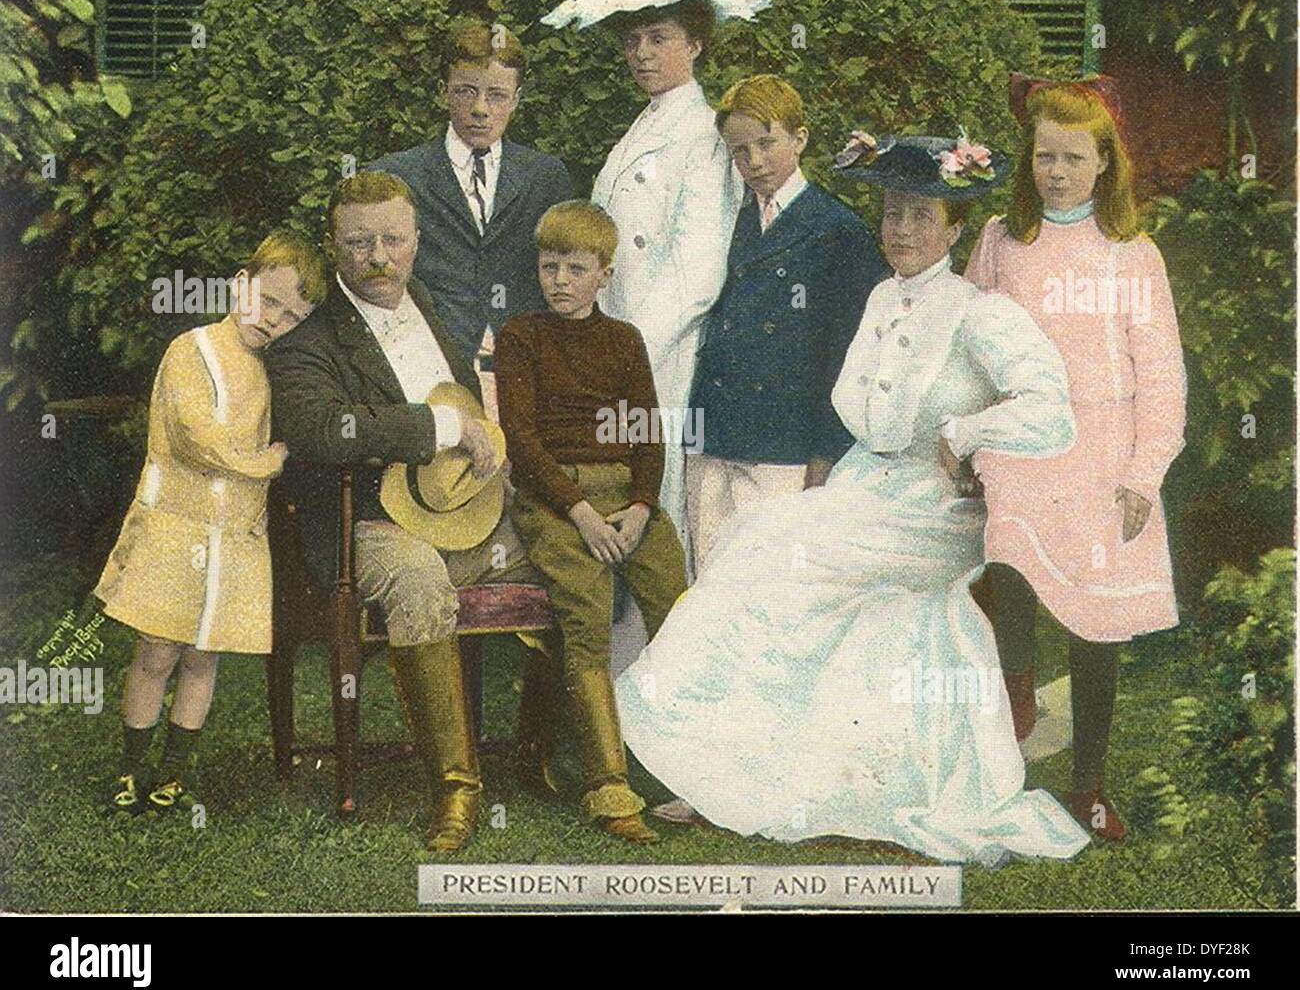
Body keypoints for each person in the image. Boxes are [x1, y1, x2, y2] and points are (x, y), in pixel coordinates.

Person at [615, 132, 1092, 866]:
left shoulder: (979, 314)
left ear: (956, 228)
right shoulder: (878, 296)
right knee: (753, 553)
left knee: (776, 563)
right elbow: (865, 411)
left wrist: (966, 431)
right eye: (893, 214)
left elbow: (1051, 407)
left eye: (921, 218)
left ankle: (742, 773)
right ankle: (737, 774)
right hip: (869, 487)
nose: (902, 231)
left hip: (935, 512)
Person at [265, 173, 533, 853]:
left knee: (569, 551)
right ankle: (456, 788)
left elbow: (470, 399)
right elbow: (324, 429)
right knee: (418, 584)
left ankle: (560, 757)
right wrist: (438, 426)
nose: (378, 255)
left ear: (417, 239)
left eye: (392, 238)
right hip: (369, 525)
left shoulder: (430, 307)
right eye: (359, 242)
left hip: (467, 515)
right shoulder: (307, 341)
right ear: (334, 246)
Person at [964, 75, 1187, 841]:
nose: (1054, 172)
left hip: (1102, 452)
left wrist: (1143, 473)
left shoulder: (1131, 253)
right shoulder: (1001, 239)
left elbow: (1161, 372)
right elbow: (966, 340)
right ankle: (1017, 696)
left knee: (1097, 626)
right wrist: (966, 433)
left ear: (1103, 163)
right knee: (1010, 569)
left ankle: (1088, 783)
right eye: (1043, 156)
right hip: (1022, 443)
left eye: (1072, 158)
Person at [543, 0, 767, 565]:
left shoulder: (702, 136)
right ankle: (619, 656)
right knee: (616, 488)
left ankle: (660, 652)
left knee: (655, 500)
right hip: (615, 345)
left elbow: (698, 272)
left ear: (695, 44)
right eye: (634, 39)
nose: (642, 53)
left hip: (661, 354)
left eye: (660, 38)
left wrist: (628, 349)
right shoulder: (642, 127)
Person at [96, 232, 326, 814]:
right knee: (157, 650)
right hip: (175, 526)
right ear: (239, 284)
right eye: (268, 302)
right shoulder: (191, 350)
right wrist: (267, 462)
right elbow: (199, 441)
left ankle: (174, 770)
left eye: (292, 316)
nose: (275, 321)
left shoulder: (271, 371)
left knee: (203, 656)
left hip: (235, 535)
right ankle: (131, 766)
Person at [495, 201, 688, 844]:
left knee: (680, 607)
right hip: (555, 498)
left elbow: (647, 435)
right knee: (587, 612)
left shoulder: (623, 340)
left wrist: (639, 508)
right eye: (550, 267)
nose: (561, 281)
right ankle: (608, 783)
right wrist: (580, 513)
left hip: (625, 498)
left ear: (604, 274)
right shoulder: (522, 337)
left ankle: (699, 767)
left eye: (576, 268)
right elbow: (521, 441)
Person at [688, 74, 889, 563]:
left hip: (786, 446)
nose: (754, 162)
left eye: (766, 143)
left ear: (800, 138)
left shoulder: (837, 231)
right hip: (712, 436)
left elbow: (849, 358)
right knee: (708, 586)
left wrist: (824, 459)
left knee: (770, 584)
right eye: (739, 151)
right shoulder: (723, 221)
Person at [367, 20, 574, 367]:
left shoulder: (545, 178)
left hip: (527, 366)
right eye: (466, 91)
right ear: (443, 91)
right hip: (428, 364)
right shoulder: (398, 176)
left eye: (496, 95)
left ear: (516, 99)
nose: (480, 108)